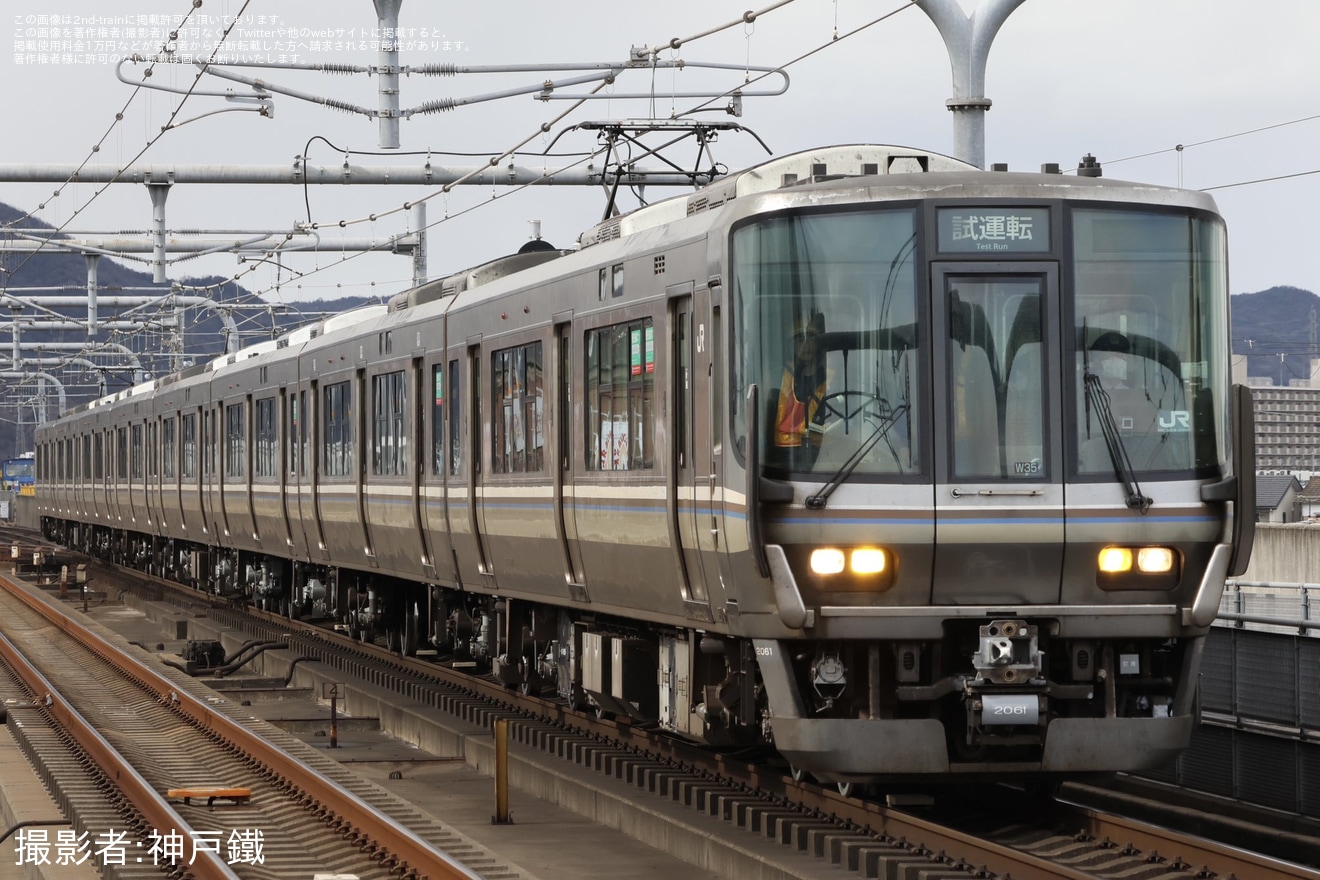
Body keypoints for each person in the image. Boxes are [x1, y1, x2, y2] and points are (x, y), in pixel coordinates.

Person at [774, 313, 829, 453]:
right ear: (790, 344)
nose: (806, 344)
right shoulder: (778, 376)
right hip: (784, 455)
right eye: (800, 339)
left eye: (811, 338)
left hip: (824, 453)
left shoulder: (830, 378)